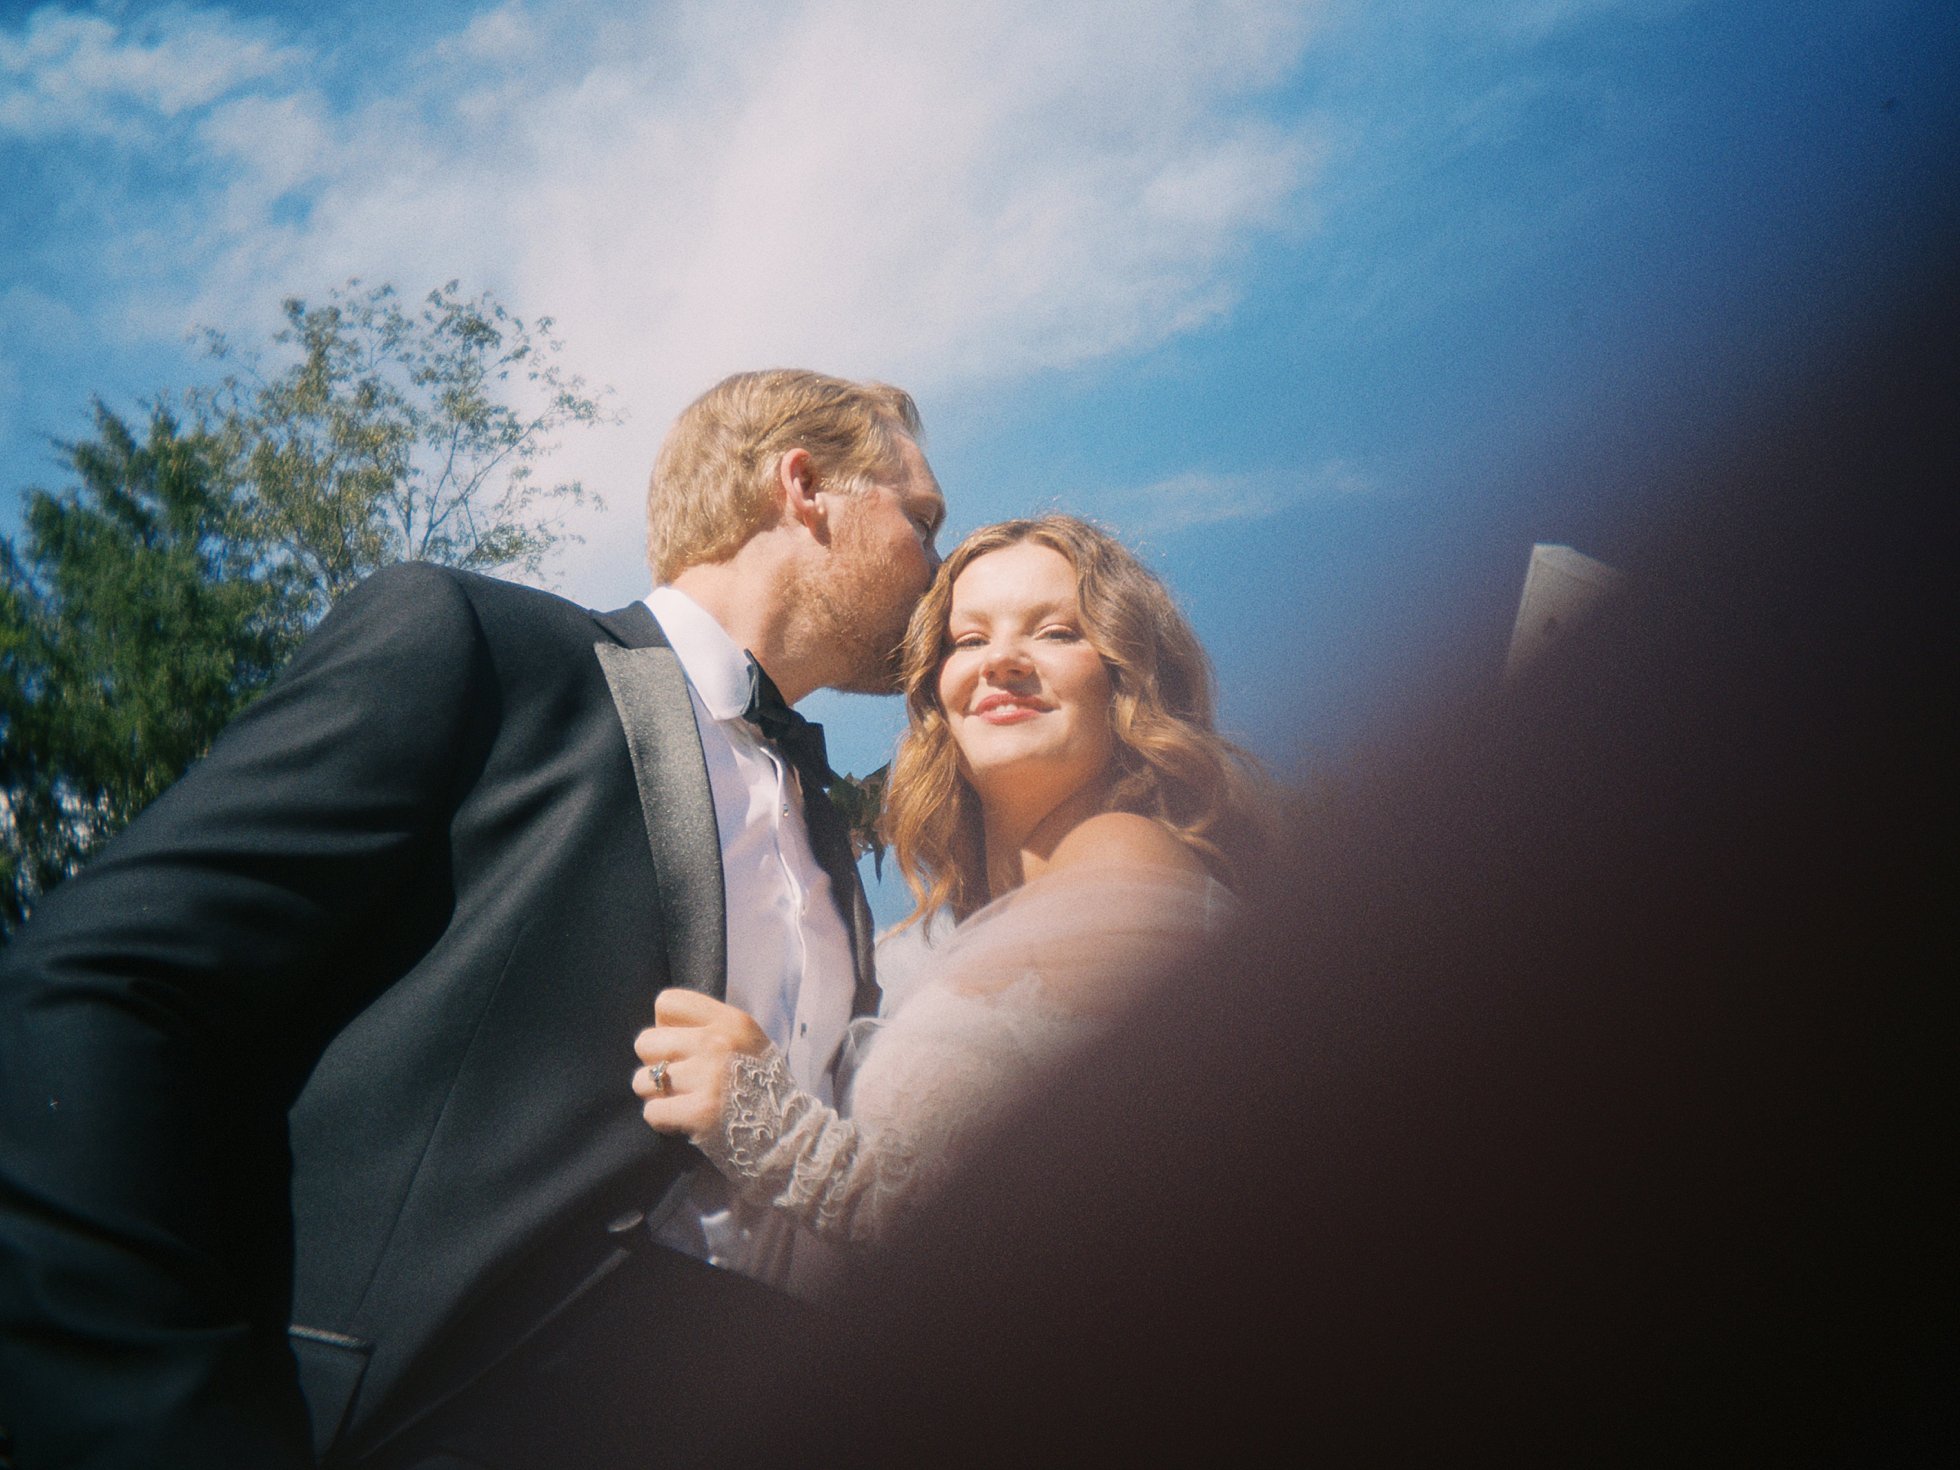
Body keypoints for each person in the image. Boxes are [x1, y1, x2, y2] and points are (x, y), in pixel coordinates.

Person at [0, 369, 945, 1469]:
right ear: (805, 487)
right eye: (922, 519)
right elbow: (95, 992)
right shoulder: (483, 649)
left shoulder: (828, 837)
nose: (939, 563)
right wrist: (168, 1426)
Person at [631, 515, 1260, 1258]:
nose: (1003, 661)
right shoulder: (941, 941)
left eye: (1057, 632)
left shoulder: (1130, 858)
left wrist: (772, 1132)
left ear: (1126, 676)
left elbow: (1080, 1229)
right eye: (969, 640)